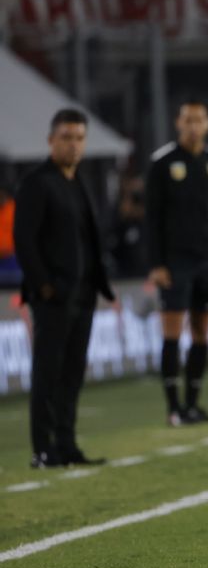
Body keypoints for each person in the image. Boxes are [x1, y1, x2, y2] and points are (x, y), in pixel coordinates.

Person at [13, 108, 115, 467]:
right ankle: (43, 449)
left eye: (79, 138)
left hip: (83, 295)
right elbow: (23, 240)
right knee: (47, 374)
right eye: (66, 137)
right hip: (54, 298)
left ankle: (66, 445)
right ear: (51, 141)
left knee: (71, 374)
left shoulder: (77, 181)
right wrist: (44, 287)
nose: (73, 145)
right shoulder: (37, 182)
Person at [146, 99, 208, 427]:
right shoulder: (162, 163)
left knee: (201, 331)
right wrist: (156, 263)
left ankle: (193, 404)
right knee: (172, 332)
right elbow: (152, 219)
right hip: (175, 262)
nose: (193, 126)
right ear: (178, 123)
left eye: (198, 120)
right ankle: (174, 409)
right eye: (187, 119)